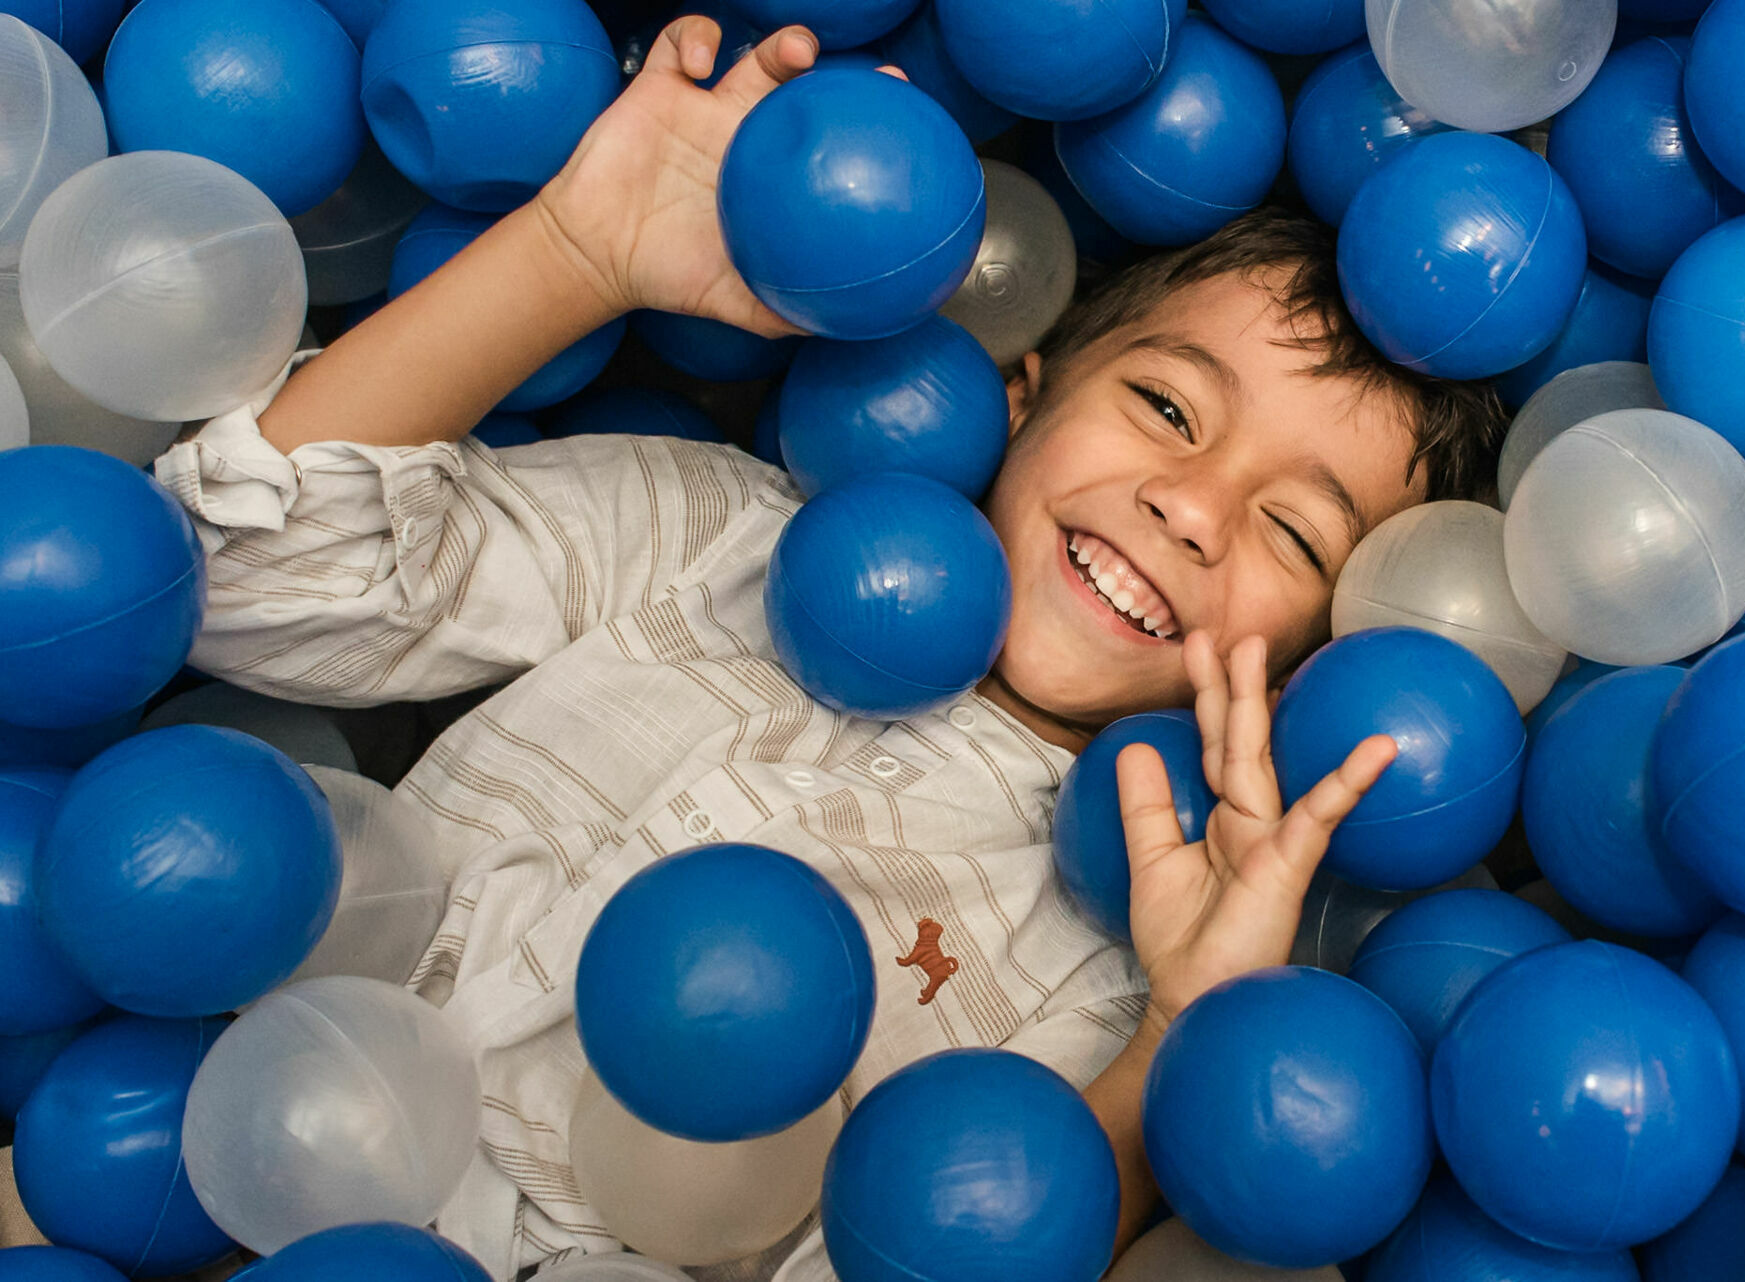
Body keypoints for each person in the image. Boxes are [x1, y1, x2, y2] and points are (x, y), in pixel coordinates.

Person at [153, 17, 1506, 1281]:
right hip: (221, 1143)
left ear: (1316, 660)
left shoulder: (1112, 974)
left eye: (1293, 533)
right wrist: (575, 254)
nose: (1193, 508)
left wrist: (1182, 1031)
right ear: (1018, 392)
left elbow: (937, 1249)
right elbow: (241, 576)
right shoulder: (722, 538)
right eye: (1165, 406)